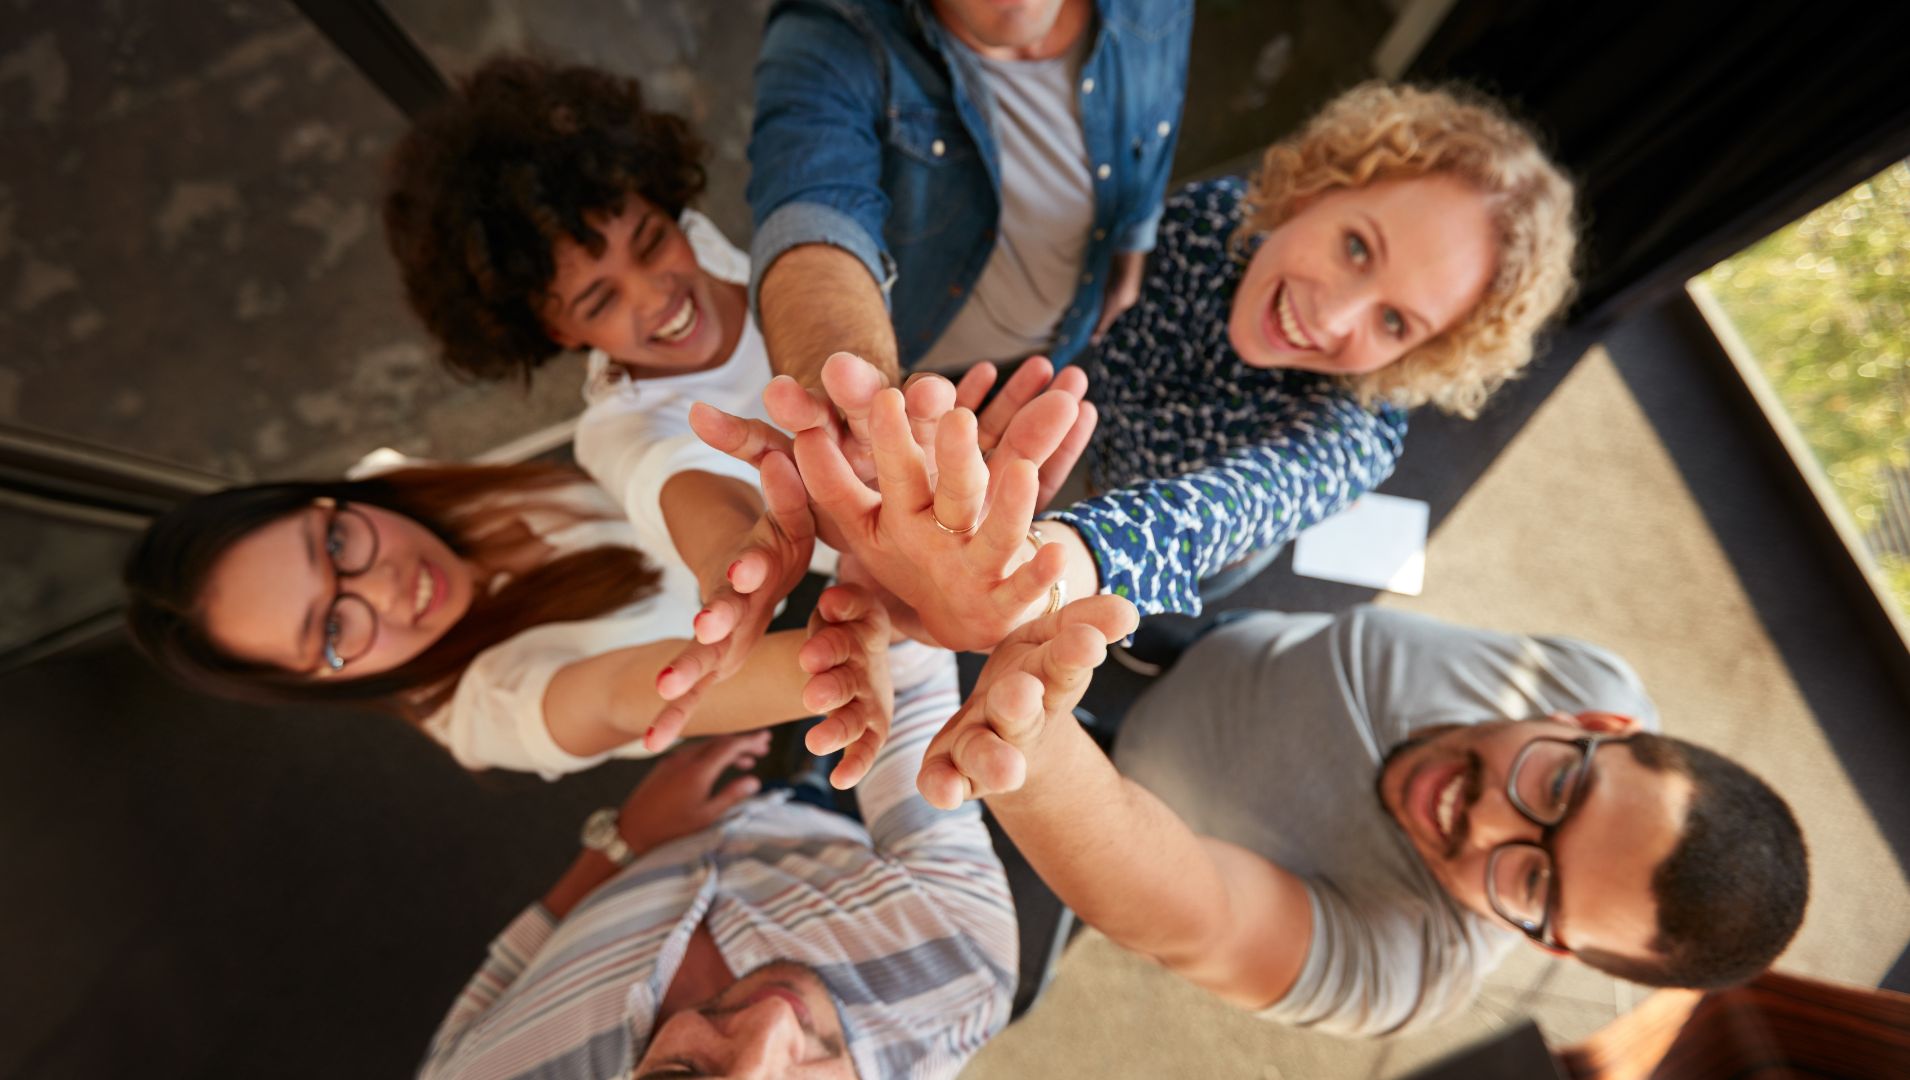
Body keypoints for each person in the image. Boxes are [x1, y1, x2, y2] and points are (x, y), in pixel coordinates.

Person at [697, 81, 1579, 643]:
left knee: (1147, 617)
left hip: (1130, 539)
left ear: (1422, 355)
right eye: (1356, 246)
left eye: (1395, 321)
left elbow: (1203, 516)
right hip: (1057, 437)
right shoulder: (1214, 219)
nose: (1334, 316)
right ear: (1318, 188)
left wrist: (1043, 572)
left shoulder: (1349, 440)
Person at [381, 55, 1094, 683]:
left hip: (939, 422)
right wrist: (737, 565)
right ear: (550, 330)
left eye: (652, 240)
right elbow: (686, 498)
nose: (657, 293)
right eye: (600, 298)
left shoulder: (703, 242)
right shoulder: (618, 432)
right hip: (890, 564)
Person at [934, 597, 1811, 1036]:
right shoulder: (1595, 677)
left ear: (1548, 943)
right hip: (1232, 646)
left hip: (1110, 794)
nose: (1481, 824)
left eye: (1535, 878)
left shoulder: (1407, 972)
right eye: (1554, 789)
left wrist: (1032, 749)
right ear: (1596, 725)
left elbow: (1196, 914)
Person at [416, 602, 1031, 1079]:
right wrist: (886, 601)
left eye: (681, 1077)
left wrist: (618, 845)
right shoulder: (959, 969)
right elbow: (905, 660)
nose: (773, 1016)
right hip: (829, 826)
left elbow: (487, 998)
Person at [120, 458, 892, 784]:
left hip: (756, 520)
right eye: (331, 631)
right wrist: (850, 648)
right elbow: (620, 696)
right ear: (321, 685)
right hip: (808, 638)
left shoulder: (390, 485)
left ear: (328, 499)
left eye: (334, 543)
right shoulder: (489, 710)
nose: (386, 589)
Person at [746, 0, 1193, 387]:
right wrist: (861, 404)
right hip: (923, 383)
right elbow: (812, 211)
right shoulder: (833, 33)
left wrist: (1134, 247)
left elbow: (1159, 111)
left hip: (1071, 344)